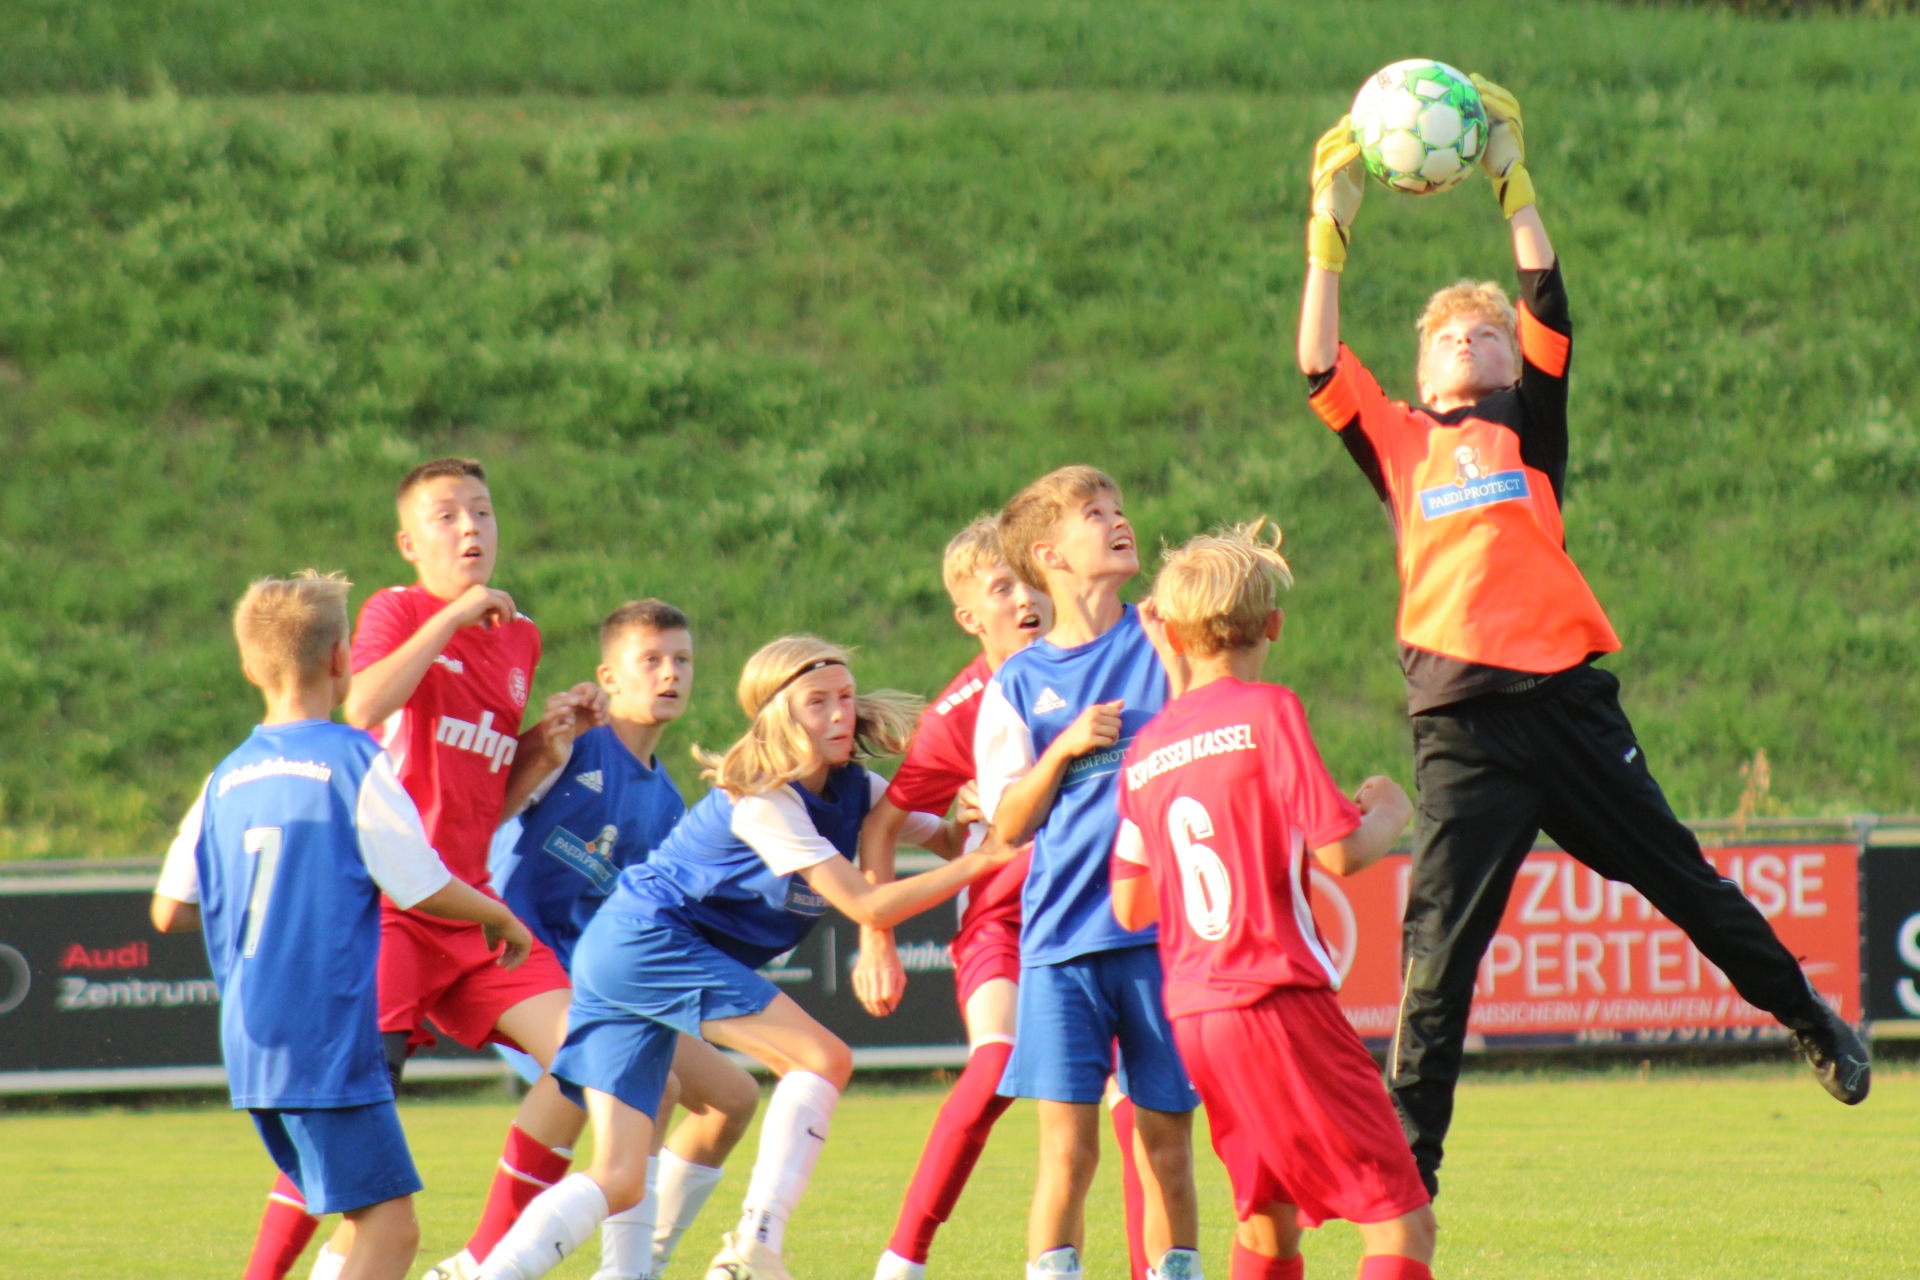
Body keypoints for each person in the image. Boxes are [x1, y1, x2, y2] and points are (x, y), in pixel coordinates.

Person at [1295, 77, 1871, 1197]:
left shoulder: (1528, 423)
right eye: (1447, 335)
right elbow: (1318, 361)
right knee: (1436, 952)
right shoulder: (1401, 441)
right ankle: (1412, 1167)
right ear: (1420, 374)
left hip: (1564, 702)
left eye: (1485, 331)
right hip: (1461, 727)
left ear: (1513, 363)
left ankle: (1809, 1016)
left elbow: (1548, 297)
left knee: (1684, 881)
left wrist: (1512, 179)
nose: (1469, 338)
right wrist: (1330, 225)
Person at [474, 636, 1019, 1280]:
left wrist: (976, 821)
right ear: (778, 713)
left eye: (846, 696)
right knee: (822, 1058)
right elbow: (867, 905)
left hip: (621, 950)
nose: (840, 713)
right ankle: (757, 1244)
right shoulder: (764, 797)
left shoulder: (855, 787)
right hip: (647, 944)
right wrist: (984, 859)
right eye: (817, 701)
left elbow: (952, 842)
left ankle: (504, 1275)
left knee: (619, 1175)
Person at [150, 571, 538, 1280]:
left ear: (249, 668)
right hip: (324, 1034)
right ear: (341, 659)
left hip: (250, 1038)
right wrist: (499, 915)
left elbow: (169, 909)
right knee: (392, 1232)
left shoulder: (226, 776)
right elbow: (421, 885)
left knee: (366, 1219)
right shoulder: (353, 760)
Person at [1110, 524, 1436, 1280]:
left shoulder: (1146, 751)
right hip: (1277, 999)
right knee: (1402, 1225)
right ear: (1275, 625)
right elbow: (1340, 851)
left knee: (1268, 1223)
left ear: (1175, 637)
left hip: (1198, 1016)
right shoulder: (1268, 712)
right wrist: (1391, 812)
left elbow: (1130, 904)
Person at [862, 520, 1150, 1280]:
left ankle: (1148, 1265)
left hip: (1095, 912)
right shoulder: (959, 713)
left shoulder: (1099, 658)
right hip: (1004, 920)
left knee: (1134, 1108)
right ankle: (902, 1260)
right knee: (993, 1069)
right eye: (1001, 589)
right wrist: (876, 938)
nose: (1024, 599)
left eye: (1029, 581)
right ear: (970, 616)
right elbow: (882, 826)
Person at [343, 456, 605, 1280]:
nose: (470, 529)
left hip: (469, 908)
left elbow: (482, 798)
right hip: (387, 908)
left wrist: (546, 746)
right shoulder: (397, 610)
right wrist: (450, 619)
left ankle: (482, 1264)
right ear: (409, 543)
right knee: (357, 1120)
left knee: (592, 1057)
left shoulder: (519, 636)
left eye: (483, 512)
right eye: (448, 515)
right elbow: (361, 707)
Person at [974, 468, 1201, 1280]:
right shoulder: (1017, 684)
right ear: (1049, 555)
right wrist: (1065, 748)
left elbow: (1208, 735)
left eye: (1118, 509)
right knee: (1068, 1154)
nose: (1119, 522)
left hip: (1159, 939)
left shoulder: (1170, 636)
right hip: (1063, 943)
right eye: (1094, 515)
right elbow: (1006, 825)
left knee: (1167, 1147)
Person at [490, 598, 760, 1280]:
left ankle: (642, 1262)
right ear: (608, 678)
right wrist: (544, 739)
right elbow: (491, 806)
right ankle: (485, 1258)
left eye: (682, 660)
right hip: (520, 962)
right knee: (648, 1082)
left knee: (732, 1098)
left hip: (598, 975)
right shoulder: (573, 743)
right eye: (652, 660)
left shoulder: (667, 802)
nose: (670, 673)